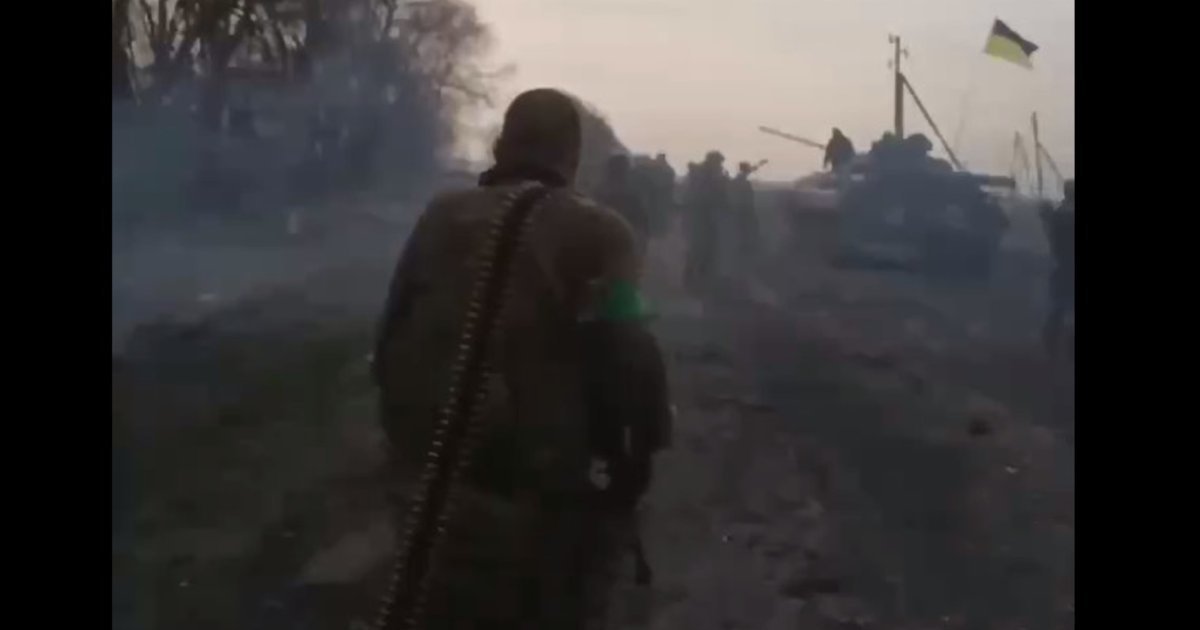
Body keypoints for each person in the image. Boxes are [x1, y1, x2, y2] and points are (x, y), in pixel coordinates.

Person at [372, 88, 671, 629]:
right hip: (534, 485)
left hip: (425, 471)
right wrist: (631, 470)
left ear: (500, 146)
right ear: (573, 155)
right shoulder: (603, 232)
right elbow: (631, 357)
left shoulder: (441, 215)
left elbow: (391, 332)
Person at [684, 151, 728, 291]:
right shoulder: (705, 175)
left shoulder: (701, 174)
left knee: (704, 250)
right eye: (719, 162)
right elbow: (709, 195)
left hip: (704, 217)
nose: (720, 165)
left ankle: (698, 280)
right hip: (702, 217)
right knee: (701, 249)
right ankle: (695, 281)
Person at [1041, 179, 1075, 359]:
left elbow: (1050, 237)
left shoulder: (1058, 213)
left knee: (1058, 305)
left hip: (1061, 263)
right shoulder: (1063, 214)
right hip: (1067, 263)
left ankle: (1051, 343)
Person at [596, 153, 651, 252]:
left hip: (603, 242)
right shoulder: (632, 194)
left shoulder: (599, 191)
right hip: (623, 242)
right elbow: (642, 224)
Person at [730, 161, 761, 269]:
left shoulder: (737, 180)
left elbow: (749, 171)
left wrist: (759, 164)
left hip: (740, 210)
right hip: (743, 210)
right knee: (745, 232)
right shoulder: (742, 182)